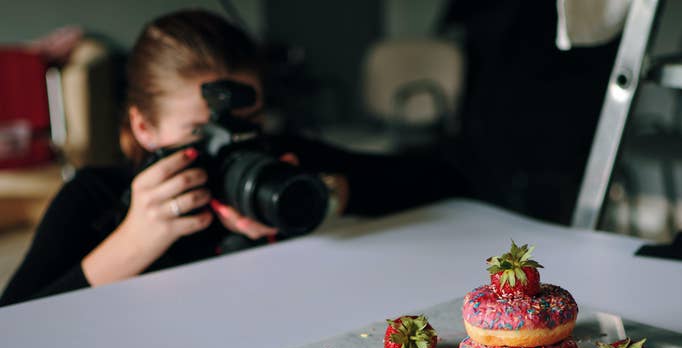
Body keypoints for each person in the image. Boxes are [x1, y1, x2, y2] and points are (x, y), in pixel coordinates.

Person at [0, 9, 467, 306]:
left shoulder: (284, 159)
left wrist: (332, 196)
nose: (235, 145)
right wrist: (133, 242)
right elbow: (14, 327)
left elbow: (437, 176)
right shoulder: (94, 196)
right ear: (145, 127)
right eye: (202, 133)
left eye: (250, 122)